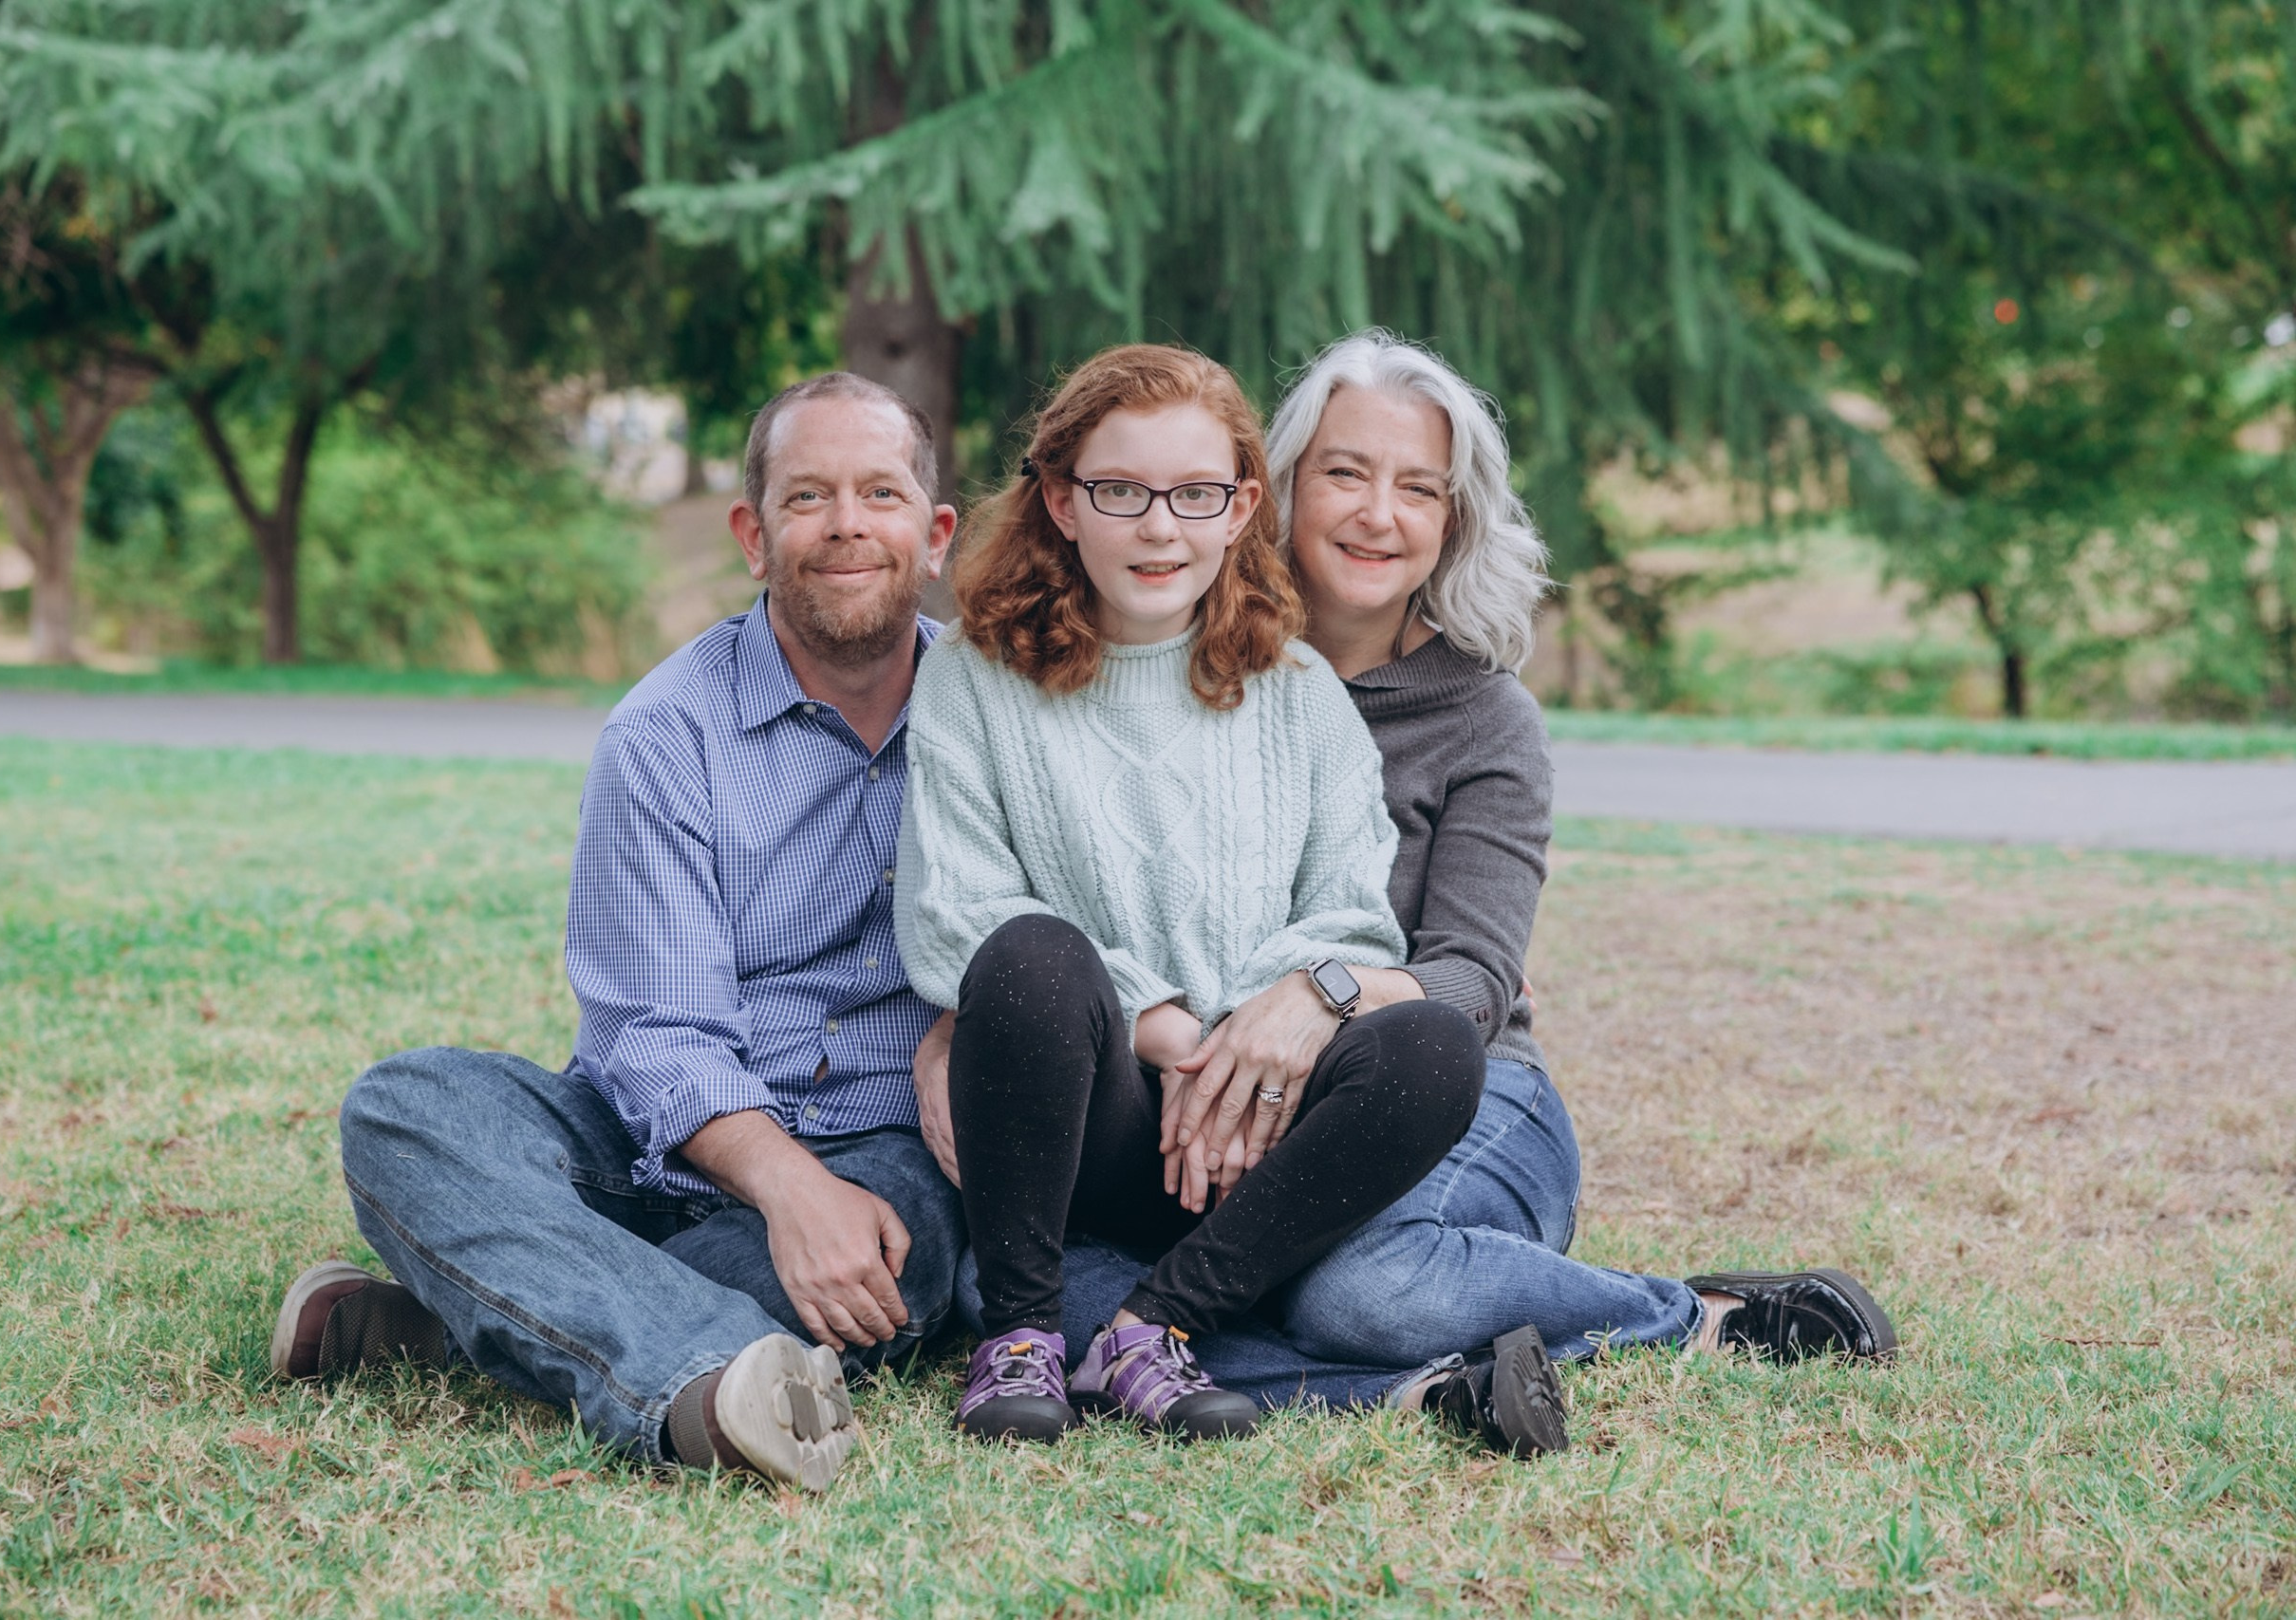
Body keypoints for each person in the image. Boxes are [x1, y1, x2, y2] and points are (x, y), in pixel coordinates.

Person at [988, 329, 1897, 1416]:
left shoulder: (1485, 720)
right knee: (1025, 1285)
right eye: (1345, 473)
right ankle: (1429, 1393)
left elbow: (1471, 975)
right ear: (1264, 492)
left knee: (1363, 1289)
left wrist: (1317, 997)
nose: (1381, 513)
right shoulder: (1153, 664)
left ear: (1451, 522)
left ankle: (1694, 1319)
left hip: (1446, 1093)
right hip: (1207, 1100)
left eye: (1419, 488)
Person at [269, 372, 967, 1494]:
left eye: (880, 494)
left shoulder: (1000, 713)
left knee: (907, 1247)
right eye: (806, 498)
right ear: (752, 535)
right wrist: (786, 1189)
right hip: (654, 1140)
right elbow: (652, 1031)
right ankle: (700, 1374)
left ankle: (458, 1324)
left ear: (933, 535)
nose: (846, 526)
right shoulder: (664, 731)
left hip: (880, 1145)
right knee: (407, 1109)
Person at [893, 344, 1569, 1454]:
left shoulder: (1310, 694)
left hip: (1285, 1121)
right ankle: (1057, 1339)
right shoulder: (980, 676)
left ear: (1235, 502)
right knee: (996, 1251)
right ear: (1063, 500)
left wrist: (1279, 1026)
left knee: (1427, 1059)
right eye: (1348, 474)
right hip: (1124, 1109)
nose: (1159, 524)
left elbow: (1426, 953)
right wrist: (1154, 1030)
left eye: (1416, 487)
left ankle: (1158, 1327)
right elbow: (965, 904)